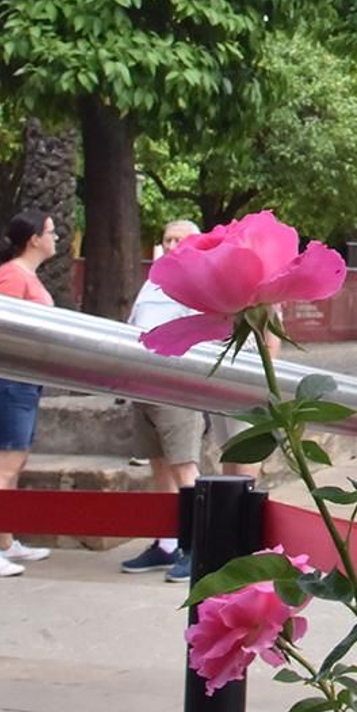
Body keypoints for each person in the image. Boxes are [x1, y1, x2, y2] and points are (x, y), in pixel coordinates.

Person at [123, 217, 258, 582]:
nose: (171, 245)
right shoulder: (153, 280)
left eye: (180, 239)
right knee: (159, 467)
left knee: (184, 467)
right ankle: (165, 543)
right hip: (142, 385)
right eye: (167, 238)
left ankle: (195, 545)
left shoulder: (203, 281)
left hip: (176, 385)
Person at [0, 210, 59, 579]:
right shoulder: (10, 275)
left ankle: (5, 540)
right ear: (34, 238)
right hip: (9, 381)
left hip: (23, 381)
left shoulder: (25, 275)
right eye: (51, 231)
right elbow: (1, 329)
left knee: (13, 462)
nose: (57, 237)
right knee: (3, 464)